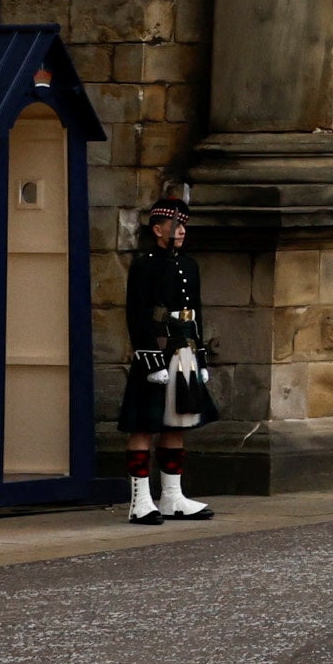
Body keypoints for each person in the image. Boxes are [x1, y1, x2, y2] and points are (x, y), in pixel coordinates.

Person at [120, 185, 218, 524]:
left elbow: (196, 314)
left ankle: (172, 497)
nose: (182, 231)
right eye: (176, 225)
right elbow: (137, 314)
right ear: (158, 229)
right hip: (157, 354)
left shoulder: (190, 266)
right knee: (145, 425)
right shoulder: (144, 265)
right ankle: (140, 501)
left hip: (183, 352)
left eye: (184, 225)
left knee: (177, 424)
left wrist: (201, 359)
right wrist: (150, 358)